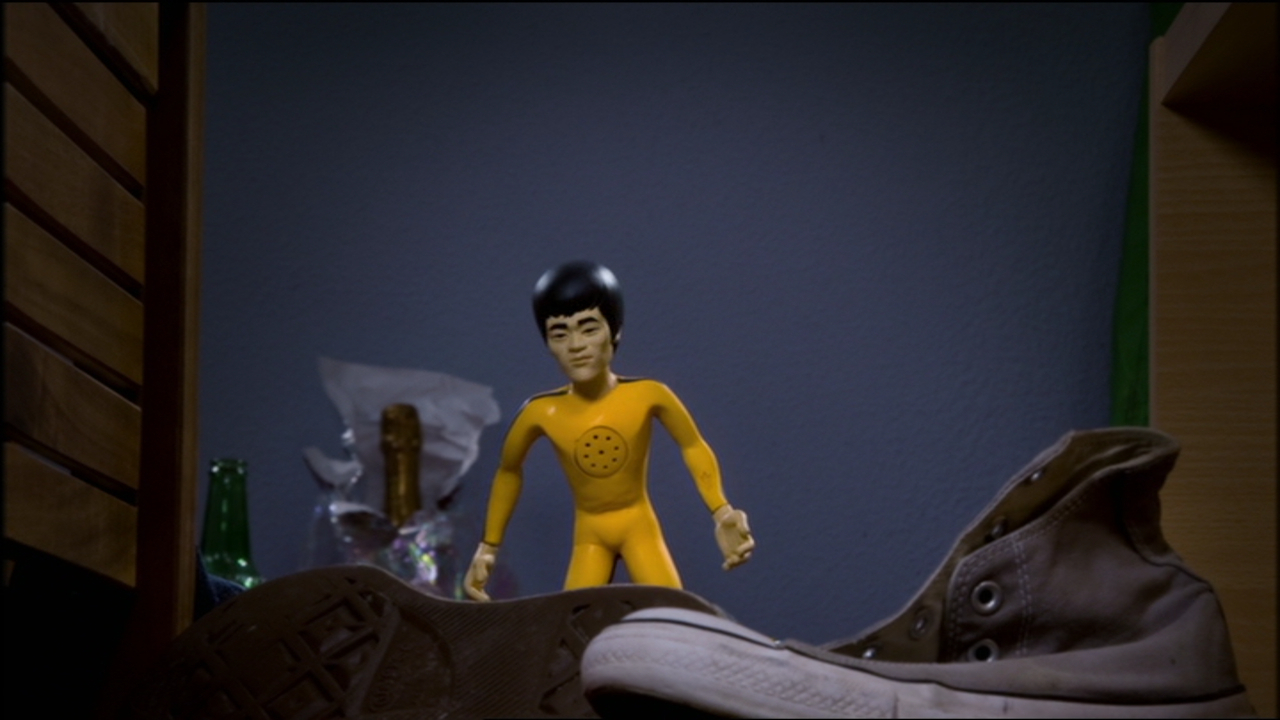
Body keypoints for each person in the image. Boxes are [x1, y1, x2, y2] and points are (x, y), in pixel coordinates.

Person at [463, 261, 755, 601]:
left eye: (589, 329)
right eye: (560, 334)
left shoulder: (648, 395)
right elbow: (509, 471)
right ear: (547, 342)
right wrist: (488, 547)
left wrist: (721, 511)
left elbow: (692, 445)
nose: (576, 345)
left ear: (614, 331)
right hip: (590, 535)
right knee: (572, 621)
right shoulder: (540, 413)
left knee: (673, 615)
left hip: (638, 526)